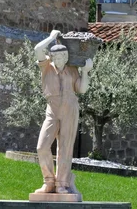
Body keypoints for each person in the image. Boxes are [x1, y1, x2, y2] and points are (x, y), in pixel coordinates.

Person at [33, 29, 93, 194]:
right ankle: (49, 181)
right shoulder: (46, 67)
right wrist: (52, 38)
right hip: (52, 109)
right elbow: (38, 49)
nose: (60, 59)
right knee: (42, 146)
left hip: (69, 109)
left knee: (65, 147)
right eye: (57, 57)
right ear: (52, 57)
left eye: (63, 57)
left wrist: (86, 72)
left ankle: (62, 184)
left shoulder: (72, 70)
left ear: (67, 57)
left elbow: (81, 89)